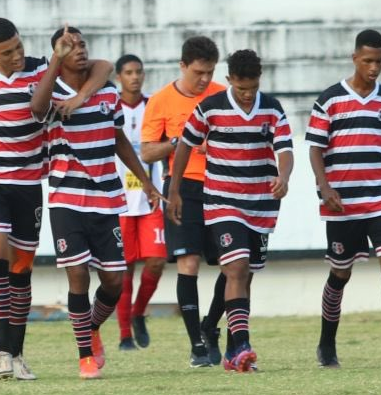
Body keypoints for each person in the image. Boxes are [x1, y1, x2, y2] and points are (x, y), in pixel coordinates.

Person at [0, 18, 113, 380]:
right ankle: (0, 354)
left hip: (28, 183)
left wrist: (69, 77)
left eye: (18, 47)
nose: (16, 56)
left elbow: (103, 67)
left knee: (20, 271)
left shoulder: (43, 68)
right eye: (7, 52)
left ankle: (17, 352)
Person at [30, 26, 164, 379]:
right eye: (70, 46)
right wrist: (55, 61)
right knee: (77, 275)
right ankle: (85, 354)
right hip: (67, 198)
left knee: (114, 281)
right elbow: (37, 107)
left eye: (82, 44)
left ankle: (90, 327)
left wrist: (148, 182)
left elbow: (118, 138)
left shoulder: (106, 90)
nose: (80, 50)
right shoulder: (51, 88)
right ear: (57, 52)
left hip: (107, 198)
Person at [167, 49, 293, 372]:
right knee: (235, 269)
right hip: (223, 202)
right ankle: (245, 346)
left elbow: (284, 148)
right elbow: (184, 145)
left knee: (245, 277)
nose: (247, 94)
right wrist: (175, 188)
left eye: (252, 87)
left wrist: (284, 175)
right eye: (241, 88)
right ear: (229, 81)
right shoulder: (210, 108)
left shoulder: (272, 108)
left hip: (261, 204)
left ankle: (230, 350)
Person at [305, 29, 381, 369]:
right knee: (341, 273)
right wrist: (324, 188)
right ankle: (326, 344)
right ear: (355, 57)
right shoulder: (330, 100)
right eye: (368, 60)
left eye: (379, 61)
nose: (374, 67)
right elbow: (315, 149)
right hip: (342, 203)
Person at [140, 36, 229, 367]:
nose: (204, 79)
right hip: (182, 188)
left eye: (209, 72)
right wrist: (182, 141)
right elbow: (148, 150)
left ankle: (211, 325)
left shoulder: (222, 95)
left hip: (223, 186)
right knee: (187, 263)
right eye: (198, 72)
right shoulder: (161, 101)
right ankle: (197, 345)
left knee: (232, 264)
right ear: (183, 66)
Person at [112, 54, 167, 351]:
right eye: (129, 72)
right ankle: (124, 336)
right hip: (120, 201)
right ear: (119, 77)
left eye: (139, 72)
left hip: (151, 198)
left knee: (157, 261)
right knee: (124, 270)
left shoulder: (153, 107)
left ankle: (138, 312)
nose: (135, 77)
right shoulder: (110, 107)